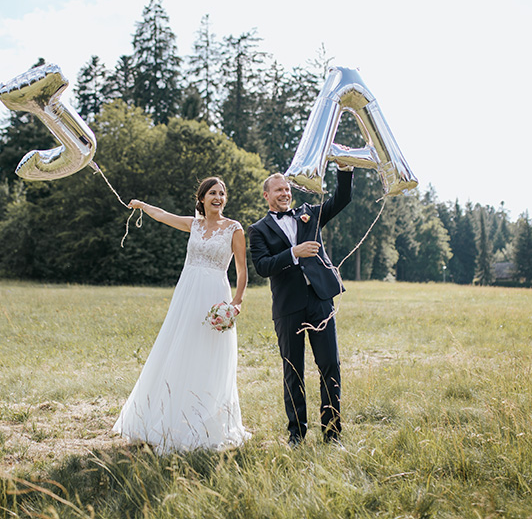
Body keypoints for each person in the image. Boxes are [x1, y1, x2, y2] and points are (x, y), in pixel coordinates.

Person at [112, 177, 251, 454]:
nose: (218, 197)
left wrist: (236, 303)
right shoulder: (194, 224)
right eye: (212, 192)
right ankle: (162, 419)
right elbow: (163, 216)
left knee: (209, 355)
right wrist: (142, 205)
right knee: (177, 348)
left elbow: (242, 269)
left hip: (215, 296)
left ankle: (206, 421)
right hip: (187, 295)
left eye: (222, 194)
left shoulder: (234, 229)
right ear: (202, 198)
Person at [248, 168, 352, 446]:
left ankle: (332, 434)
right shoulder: (258, 230)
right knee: (293, 370)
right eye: (278, 190)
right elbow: (262, 267)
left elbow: (342, 199)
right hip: (288, 306)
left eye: (287, 189)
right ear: (266, 195)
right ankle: (296, 434)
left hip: (320, 299)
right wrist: (293, 252)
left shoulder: (310, 214)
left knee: (330, 365)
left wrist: (345, 169)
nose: (285, 193)